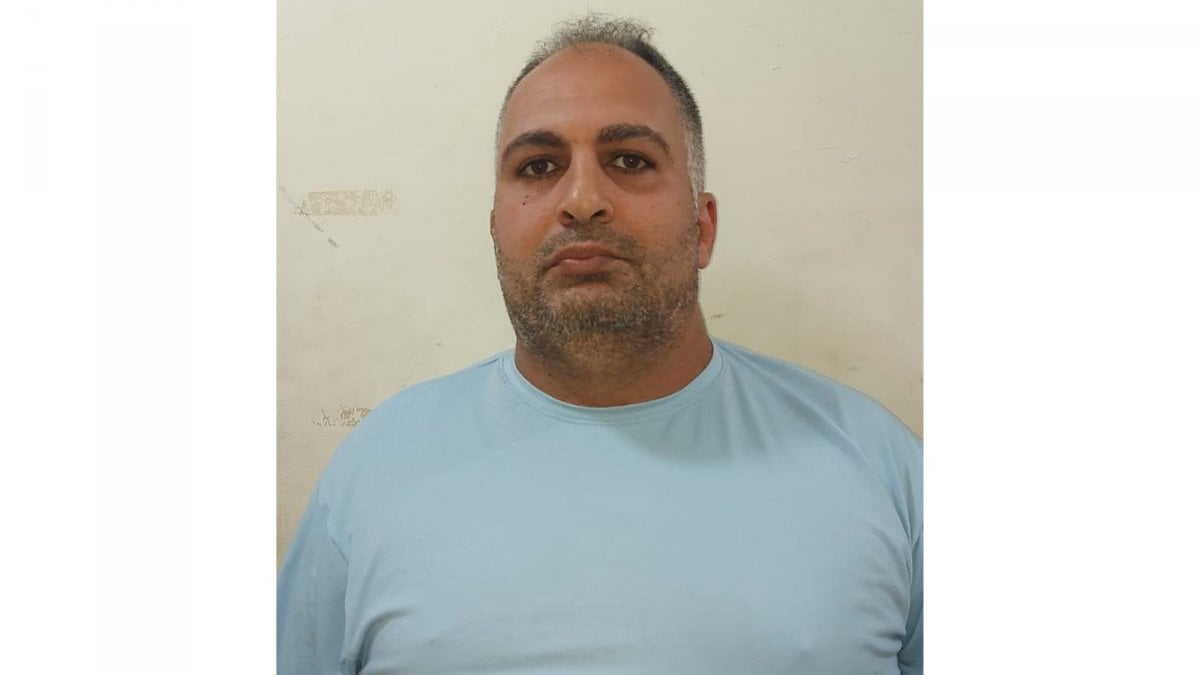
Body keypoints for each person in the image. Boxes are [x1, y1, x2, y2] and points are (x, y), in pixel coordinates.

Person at [278, 14, 922, 675]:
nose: (583, 200)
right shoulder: (374, 471)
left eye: (629, 160)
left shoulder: (878, 464)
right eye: (539, 166)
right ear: (496, 230)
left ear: (702, 227)